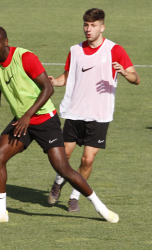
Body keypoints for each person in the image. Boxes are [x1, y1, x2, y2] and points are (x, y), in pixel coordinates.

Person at [0, 26, 119, 224]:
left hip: (45, 119)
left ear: (5, 42)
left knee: (63, 169)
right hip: (22, 122)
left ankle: (100, 207)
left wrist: (28, 115)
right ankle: (1, 213)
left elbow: (48, 88)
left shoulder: (25, 58)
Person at [47, 8, 140, 213]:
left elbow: (136, 79)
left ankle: (74, 196)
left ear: (102, 27)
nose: (88, 30)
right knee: (64, 156)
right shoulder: (75, 50)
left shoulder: (115, 50)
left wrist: (124, 73)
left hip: (99, 115)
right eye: (86, 25)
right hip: (75, 112)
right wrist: (55, 81)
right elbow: (66, 77)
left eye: (93, 25)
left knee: (87, 160)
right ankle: (58, 182)